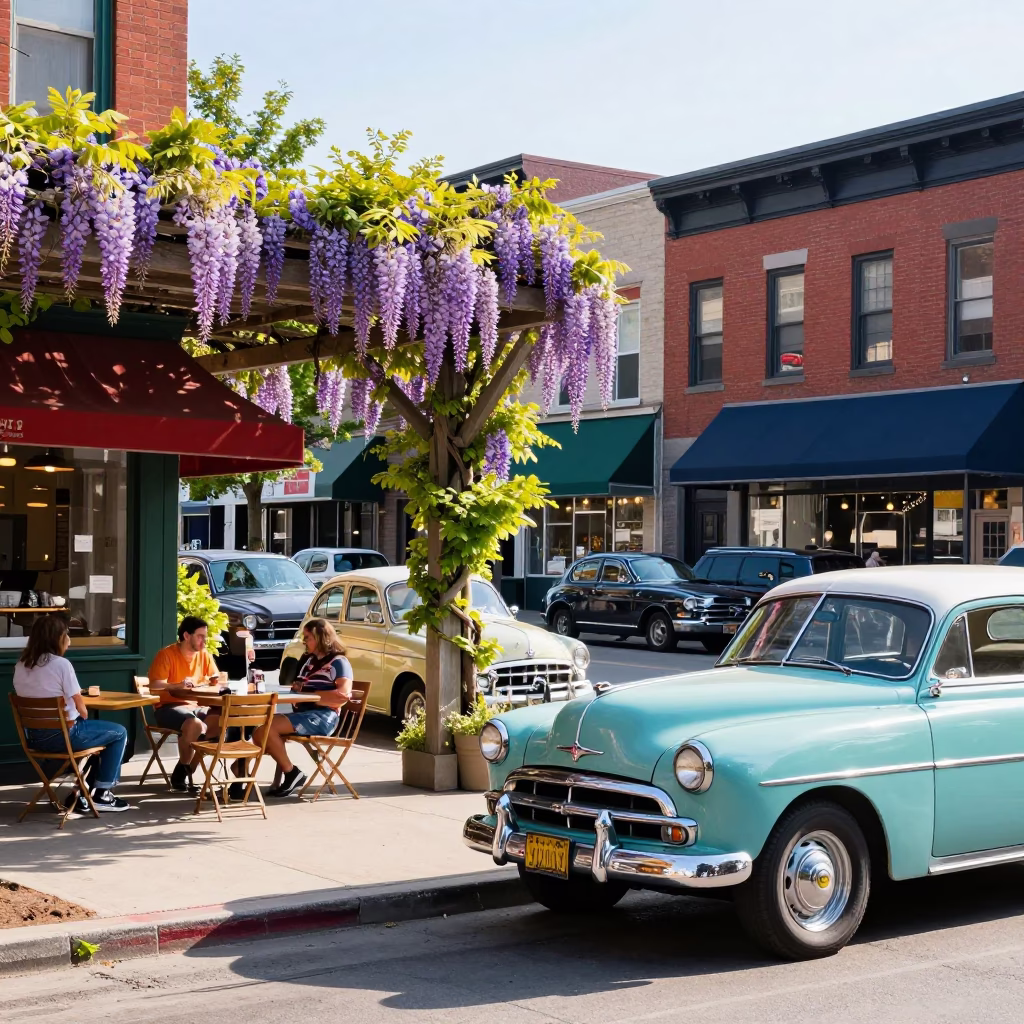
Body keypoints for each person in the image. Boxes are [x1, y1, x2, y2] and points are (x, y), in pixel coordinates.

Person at [13, 615, 130, 813]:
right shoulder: (61, 664)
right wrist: (78, 709)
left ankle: (80, 792)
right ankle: (103, 793)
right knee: (118, 732)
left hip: (35, 738)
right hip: (65, 736)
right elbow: (82, 711)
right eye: (66, 634)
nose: (68, 638)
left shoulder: (20, 665)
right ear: (57, 638)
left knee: (99, 742)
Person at [255, 617, 352, 798]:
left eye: (308, 637)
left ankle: (291, 773)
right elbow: (297, 687)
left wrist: (312, 696)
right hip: (303, 712)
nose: (304, 641)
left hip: (324, 717)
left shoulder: (338, 662)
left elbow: (343, 695)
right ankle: (288, 773)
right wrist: (299, 690)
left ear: (321, 638)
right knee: (259, 729)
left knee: (267, 729)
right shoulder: (308, 661)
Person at [148, 615, 222, 792]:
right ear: (187, 636)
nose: (204, 640)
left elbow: (216, 679)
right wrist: (176, 685)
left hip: (197, 704)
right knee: (194, 724)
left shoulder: (204, 655)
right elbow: (154, 685)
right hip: (168, 707)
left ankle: (188, 769)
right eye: (200, 636)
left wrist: (214, 681)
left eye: (205, 636)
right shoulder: (166, 654)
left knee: (220, 722)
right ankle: (183, 772)